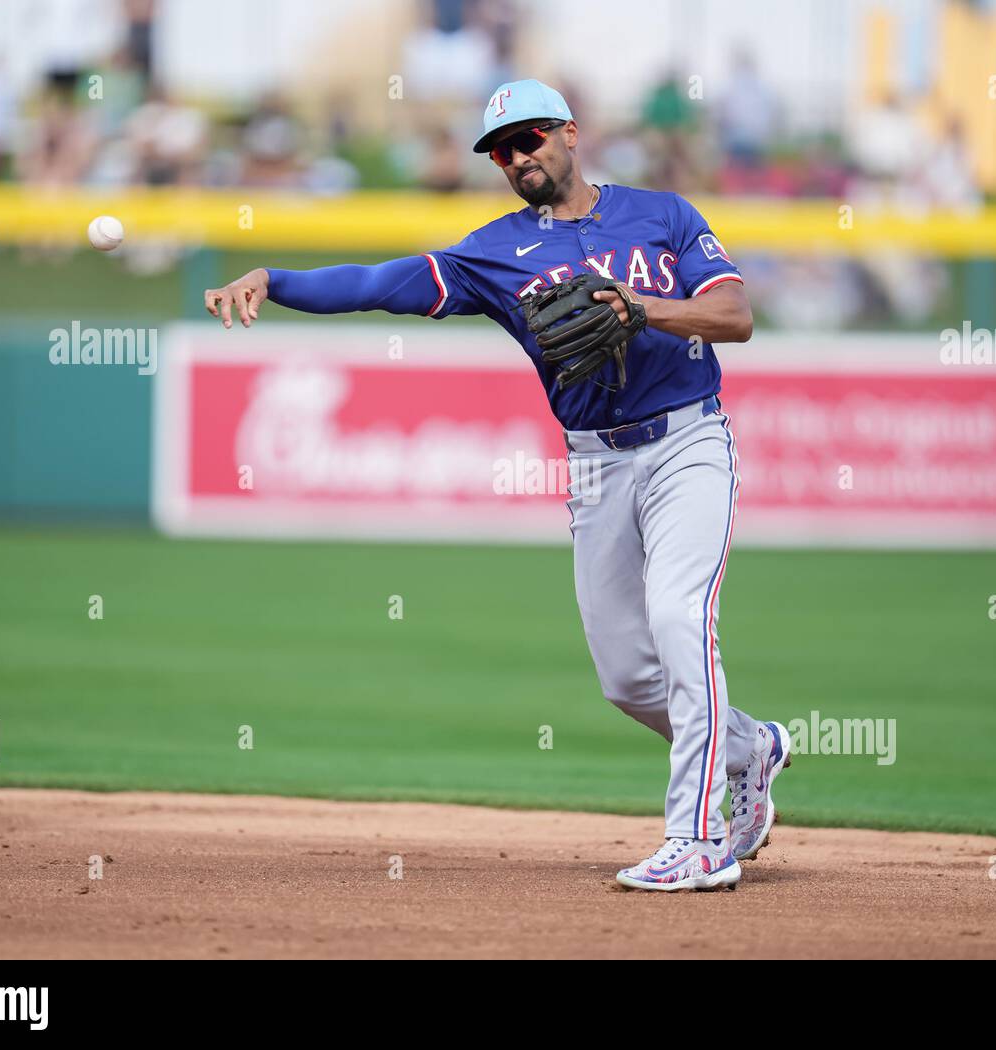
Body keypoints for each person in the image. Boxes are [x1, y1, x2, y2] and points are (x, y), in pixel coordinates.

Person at [204, 79, 792, 892]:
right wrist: (276, 278)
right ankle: (750, 750)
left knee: (677, 616)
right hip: (595, 460)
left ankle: (696, 840)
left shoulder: (663, 216)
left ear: (571, 134)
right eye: (502, 150)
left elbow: (734, 317)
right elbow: (383, 283)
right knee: (626, 675)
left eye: (532, 138)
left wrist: (640, 308)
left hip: (689, 440)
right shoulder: (493, 253)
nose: (519, 157)